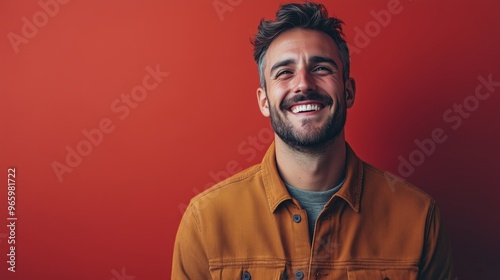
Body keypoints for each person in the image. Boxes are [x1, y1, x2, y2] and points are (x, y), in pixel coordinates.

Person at [172, 2, 454, 279]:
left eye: (321, 68)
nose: (304, 83)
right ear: (264, 101)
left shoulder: (419, 217)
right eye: (284, 72)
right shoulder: (205, 220)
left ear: (348, 91)